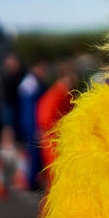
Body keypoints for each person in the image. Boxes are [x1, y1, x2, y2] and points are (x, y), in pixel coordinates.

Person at [36, 60, 80, 190]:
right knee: (57, 183)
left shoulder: (65, 94)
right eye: (74, 75)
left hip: (61, 144)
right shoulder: (55, 95)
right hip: (55, 145)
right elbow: (45, 121)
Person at [18, 61, 48, 190]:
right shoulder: (31, 84)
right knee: (34, 152)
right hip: (31, 123)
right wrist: (37, 126)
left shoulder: (30, 82)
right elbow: (31, 109)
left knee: (33, 152)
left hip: (28, 122)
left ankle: (33, 180)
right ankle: (31, 182)